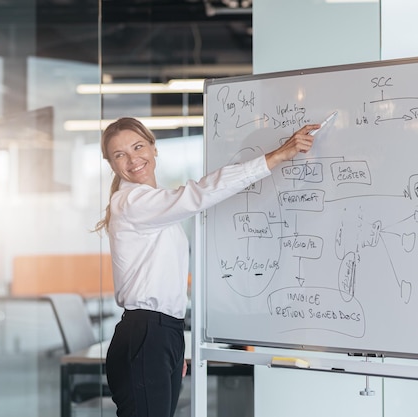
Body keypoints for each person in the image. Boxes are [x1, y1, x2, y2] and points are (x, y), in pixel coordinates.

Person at [94, 116, 320, 417]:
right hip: (146, 334)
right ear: (111, 164)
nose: (133, 159)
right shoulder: (132, 202)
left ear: (153, 148)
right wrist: (276, 156)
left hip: (160, 334)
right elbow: (199, 194)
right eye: (120, 154)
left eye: (138, 147)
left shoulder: (152, 205)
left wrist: (172, 345)